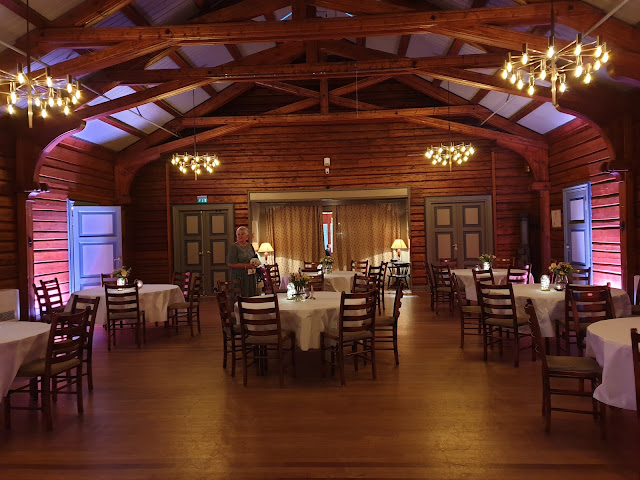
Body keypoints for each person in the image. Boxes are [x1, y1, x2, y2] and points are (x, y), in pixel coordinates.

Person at [227, 226, 259, 297]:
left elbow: (254, 257)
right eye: (238, 234)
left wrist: (255, 263)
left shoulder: (250, 246)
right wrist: (246, 266)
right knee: (241, 296)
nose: (240, 236)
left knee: (251, 295)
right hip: (239, 276)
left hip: (250, 275)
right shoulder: (234, 247)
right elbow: (230, 264)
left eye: (242, 234)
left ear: (247, 236)